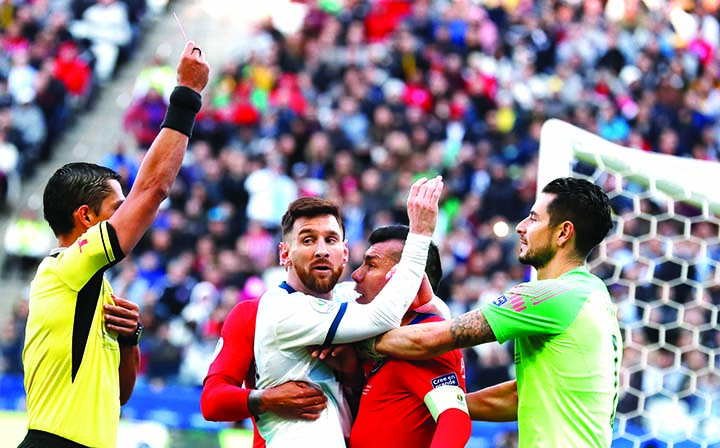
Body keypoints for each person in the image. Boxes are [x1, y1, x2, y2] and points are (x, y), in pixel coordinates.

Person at [18, 41, 209, 448]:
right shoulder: (65, 269)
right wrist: (187, 97)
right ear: (85, 217)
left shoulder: (94, 287)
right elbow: (154, 189)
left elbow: (118, 397)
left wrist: (129, 340)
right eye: (117, 208)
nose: (128, 216)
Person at [372, 177, 622, 448]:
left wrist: (348, 336)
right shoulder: (596, 296)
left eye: (533, 219)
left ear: (563, 233)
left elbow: (429, 341)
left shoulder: (550, 295)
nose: (521, 227)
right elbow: (519, 396)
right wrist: (446, 408)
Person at [204, 176, 443, 447]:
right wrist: (267, 399)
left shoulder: (355, 303)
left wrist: (352, 373)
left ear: (344, 252)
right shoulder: (255, 313)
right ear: (285, 254)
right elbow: (212, 401)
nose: (321, 251)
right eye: (307, 240)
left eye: (330, 240)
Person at [337, 224, 471, 448]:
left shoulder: (427, 339)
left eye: (371, 265)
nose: (356, 275)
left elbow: (455, 419)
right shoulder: (385, 337)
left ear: (406, 280)